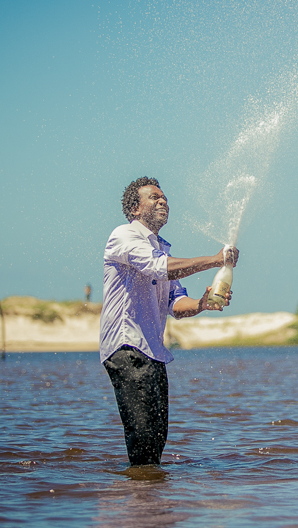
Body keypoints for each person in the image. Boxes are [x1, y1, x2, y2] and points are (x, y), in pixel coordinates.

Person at [100, 176, 239, 466]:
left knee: (156, 438)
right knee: (142, 437)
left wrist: (203, 304)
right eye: (154, 197)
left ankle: (151, 500)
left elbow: (176, 305)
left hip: (153, 352)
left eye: (164, 197)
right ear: (135, 209)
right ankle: (139, 503)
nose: (162, 201)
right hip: (127, 347)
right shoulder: (123, 235)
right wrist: (215, 260)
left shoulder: (163, 248)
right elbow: (160, 268)